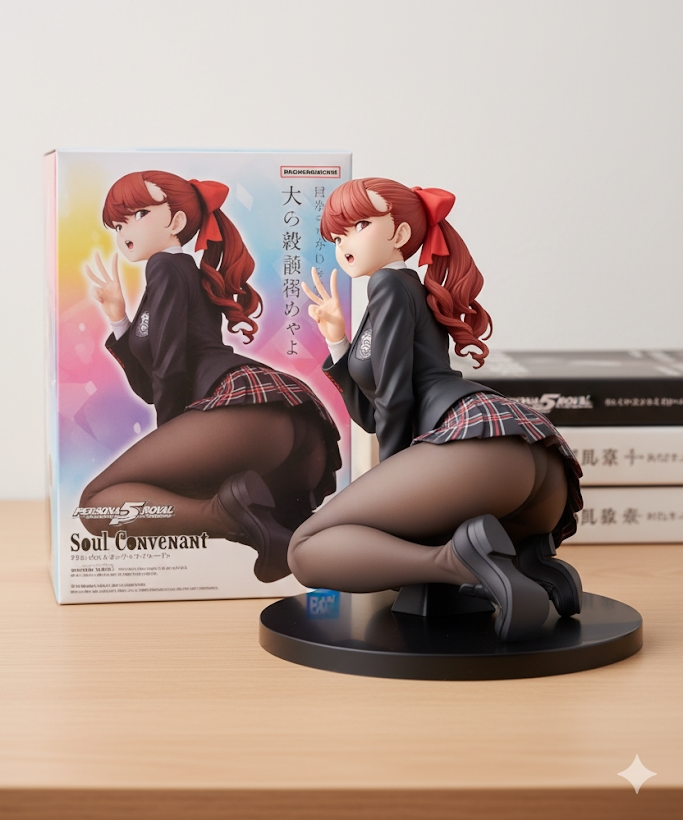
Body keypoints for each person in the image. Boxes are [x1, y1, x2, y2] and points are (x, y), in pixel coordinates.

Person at [289, 177, 583, 640]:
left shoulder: (388, 284)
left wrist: (392, 476)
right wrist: (337, 341)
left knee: (305, 549)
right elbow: (373, 412)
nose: (345, 244)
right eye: (338, 235)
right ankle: (526, 564)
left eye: (360, 226)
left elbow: (394, 399)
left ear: (401, 234)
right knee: (360, 545)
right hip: (531, 463)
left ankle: (457, 564)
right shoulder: (408, 290)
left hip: (471, 453)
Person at [79, 170, 340, 583]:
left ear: (176, 222)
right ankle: (265, 530)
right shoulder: (184, 273)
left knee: (95, 504)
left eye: (139, 214)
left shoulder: (165, 267)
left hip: (242, 416)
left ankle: (225, 515)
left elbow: (169, 370)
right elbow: (151, 385)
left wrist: (171, 442)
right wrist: (119, 319)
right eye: (118, 224)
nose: (125, 231)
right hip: (291, 430)